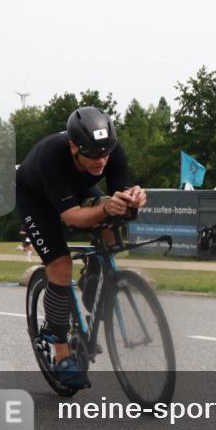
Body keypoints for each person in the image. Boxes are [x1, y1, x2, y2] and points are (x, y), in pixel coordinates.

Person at [16, 107, 147, 388]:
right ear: (74, 146)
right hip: (35, 198)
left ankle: (97, 281)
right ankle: (61, 352)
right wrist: (105, 208)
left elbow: (120, 196)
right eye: (93, 154)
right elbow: (71, 217)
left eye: (105, 153)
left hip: (76, 189)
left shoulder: (109, 150)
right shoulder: (53, 154)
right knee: (61, 264)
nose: (101, 160)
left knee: (111, 221)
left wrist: (134, 198)